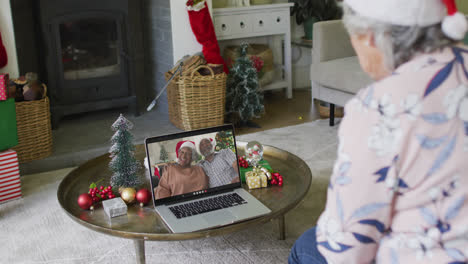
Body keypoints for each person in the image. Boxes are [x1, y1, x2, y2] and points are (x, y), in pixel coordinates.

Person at [290, 0, 468, 263]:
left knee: (306, 246)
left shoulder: (378, 106)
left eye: (354, 37)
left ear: (372, 37)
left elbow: (347, 248)